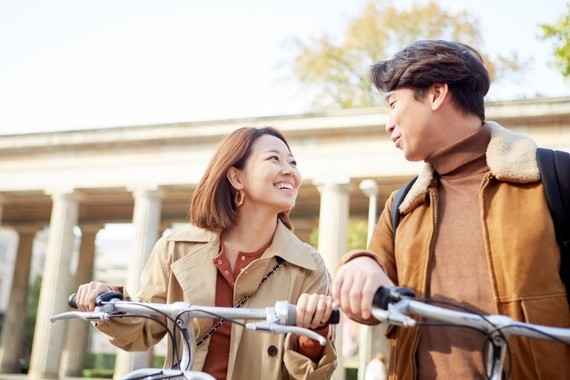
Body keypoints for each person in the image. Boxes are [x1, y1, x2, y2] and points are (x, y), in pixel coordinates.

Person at [331, 40, 570, 379]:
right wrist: (359, 264)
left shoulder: (554, 178)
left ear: (436, 93)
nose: (388, 123)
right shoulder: (402, 206)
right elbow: (367, 306)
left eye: (393, 103)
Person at [75, 126, 337, 379]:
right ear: (237, 177)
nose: (290, 171)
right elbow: (142, 329)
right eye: (274, 159)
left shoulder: (309, 266)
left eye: (293, 163)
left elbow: (309, 376)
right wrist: (107, 302)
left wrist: (312, 333)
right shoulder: (175, 249)